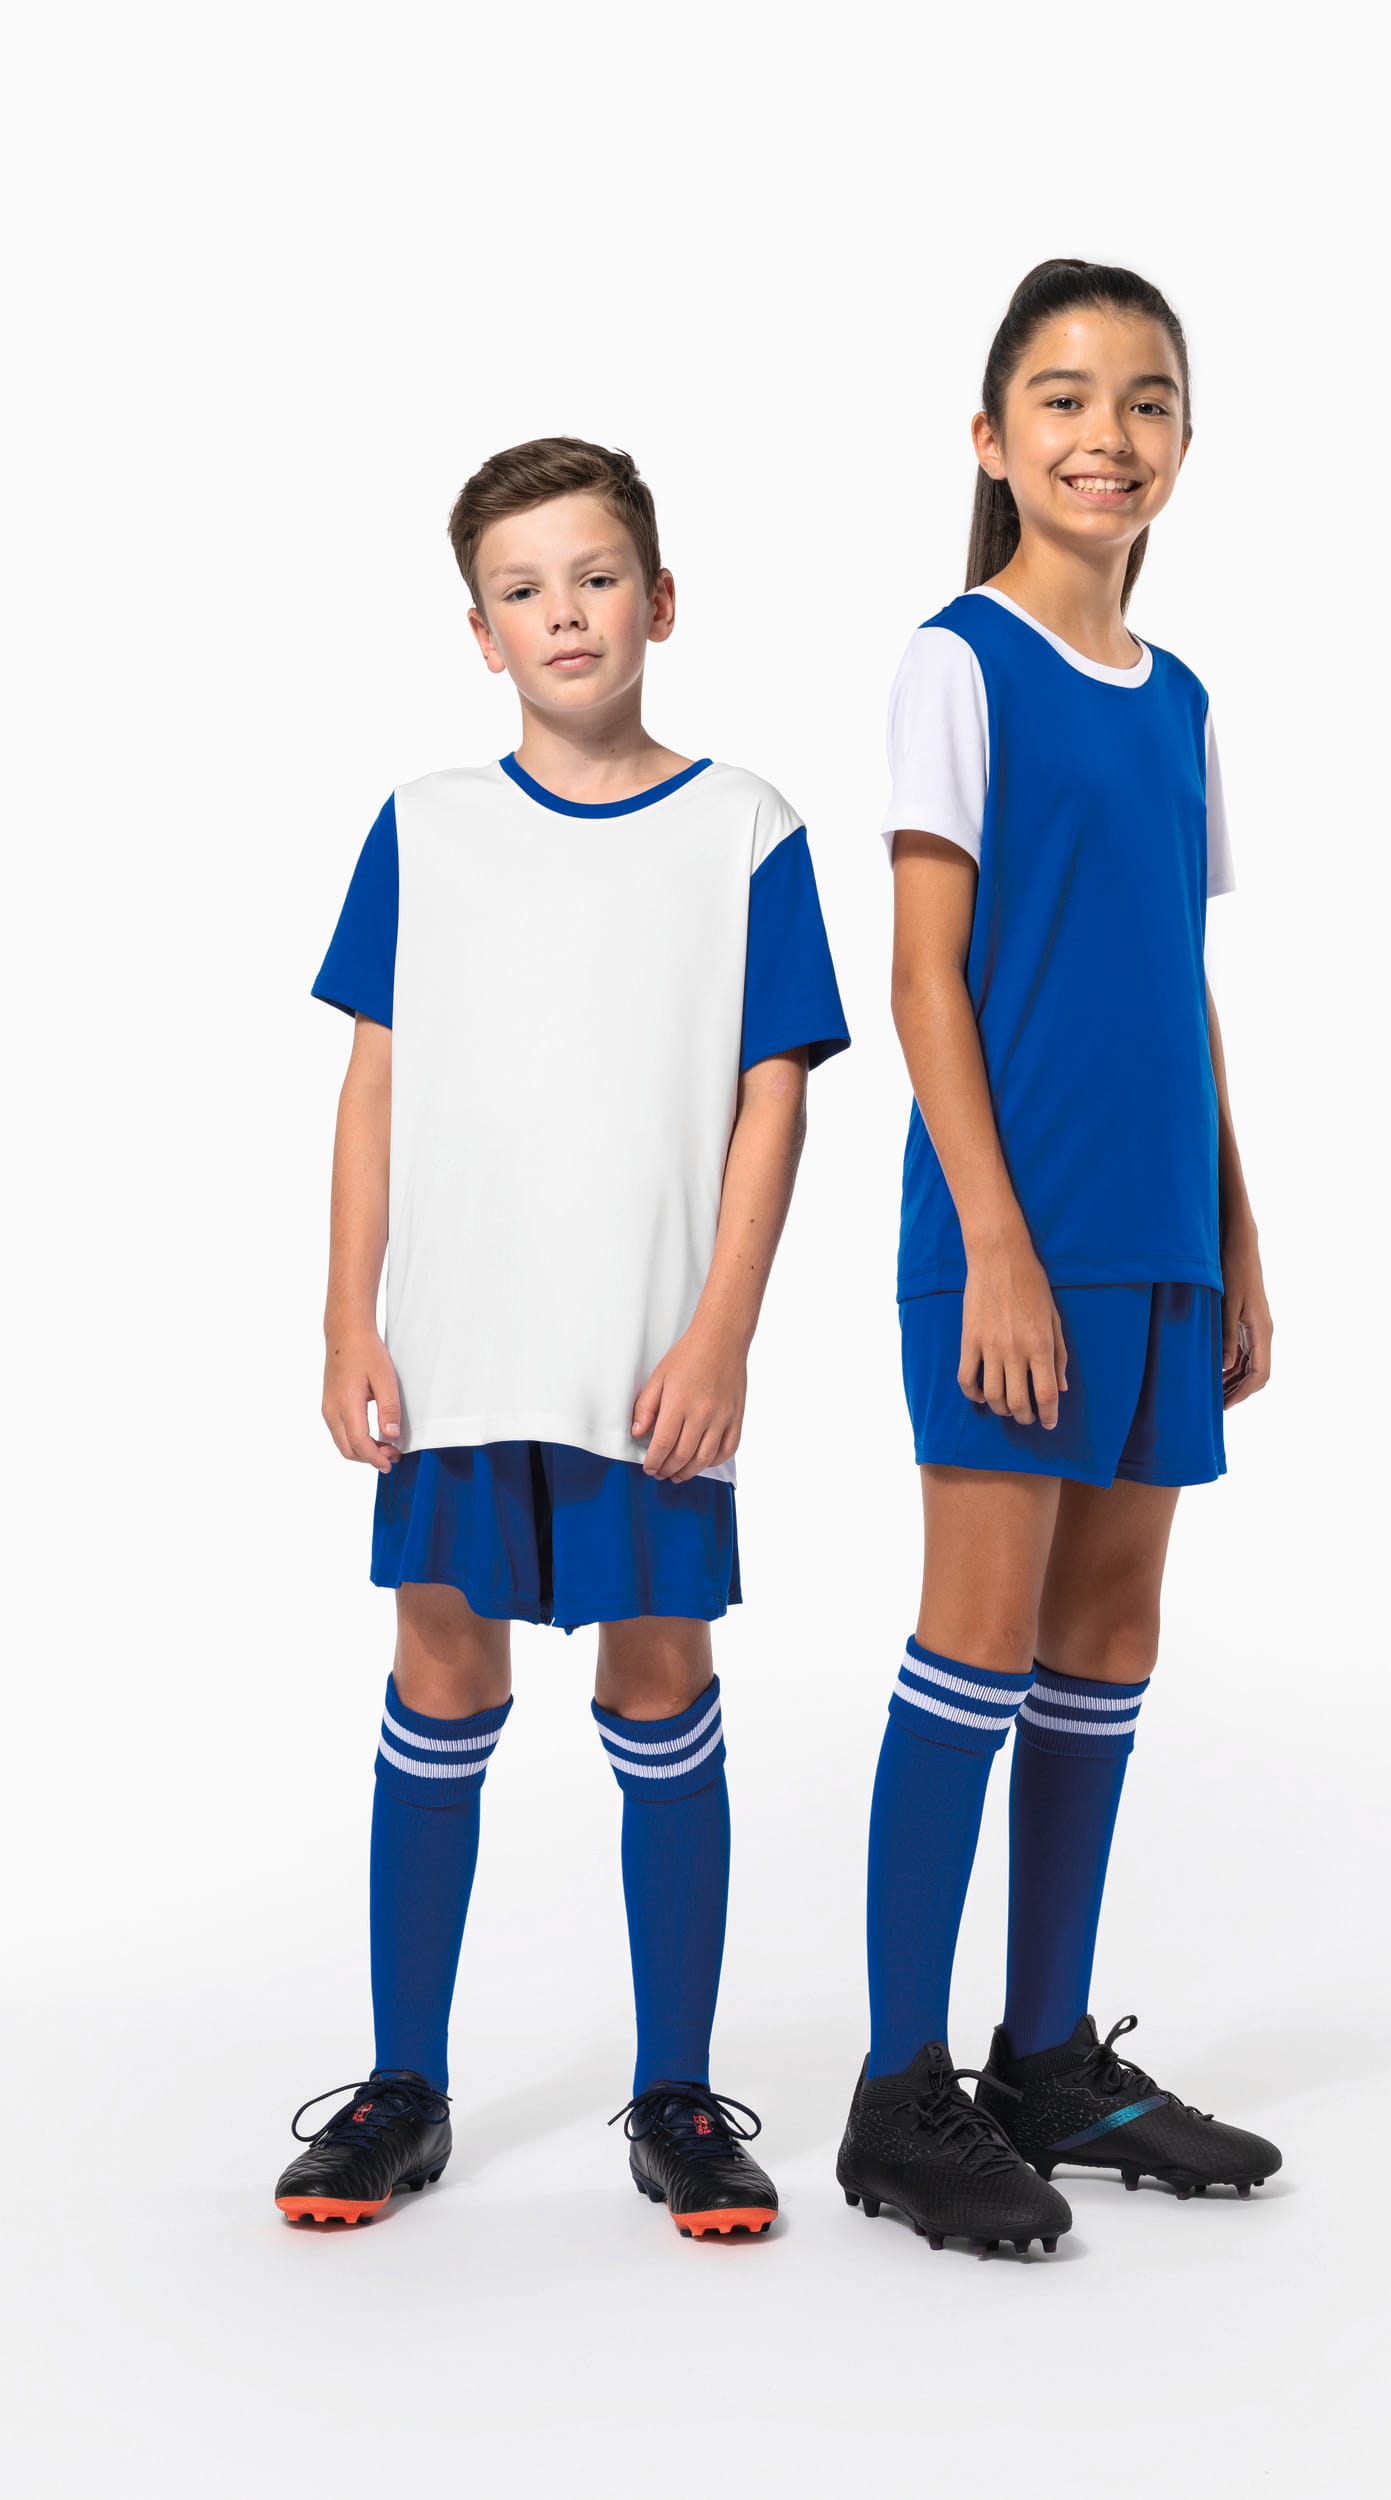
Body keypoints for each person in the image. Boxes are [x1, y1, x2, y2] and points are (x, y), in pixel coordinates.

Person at [275, 436, 848, 2236]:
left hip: (644, 1359)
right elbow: (372, 1085)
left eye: (596, 577)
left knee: (657, 1679)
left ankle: (676, 2094)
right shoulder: (424, 827)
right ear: (480, 634)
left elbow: (775, 1095)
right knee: (441, 1677)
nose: (565, 613)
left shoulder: (744, 825)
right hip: (458, 1347)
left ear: (659, 599)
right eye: (522, 590)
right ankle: (402, 2088)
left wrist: (722, 1335)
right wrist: (347, 1318)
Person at [836, 261, 1282, 2256]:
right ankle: (894, 2089)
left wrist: (1234, 1228)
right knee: (975, 1639)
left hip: (1156, 1237)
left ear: (1182, 439)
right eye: (1065, 397)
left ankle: (1046, 2057)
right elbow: (924, 977)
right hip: (1007, 1243)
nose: (1108, 434)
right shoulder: (960, 660)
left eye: (1145, 399)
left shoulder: (1178, 700)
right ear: (992, 438)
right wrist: (996, 1249)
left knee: (1103, 1641)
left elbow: (1175, 984)